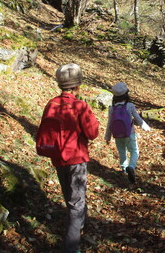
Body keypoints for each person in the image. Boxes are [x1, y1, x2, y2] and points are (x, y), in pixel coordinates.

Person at [40, 63, 99, 253]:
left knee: (70, 198)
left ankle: (80, 229)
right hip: (76, 158)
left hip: (57, 157)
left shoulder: (51, 103)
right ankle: (71, 247)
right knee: (76, 202)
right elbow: (92, 132)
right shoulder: (79, 105)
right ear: (77, 85)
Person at [105, 82, 151, 184]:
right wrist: (145, 127)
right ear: (126, 95)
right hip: (130, 134)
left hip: (117, 135)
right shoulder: (130, 106)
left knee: (122, 151)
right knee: (134, 151)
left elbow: (109, 124)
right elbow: (138, 119)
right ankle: (131, 167)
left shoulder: (112, 108)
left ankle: (124, 169)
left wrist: (107, 137)